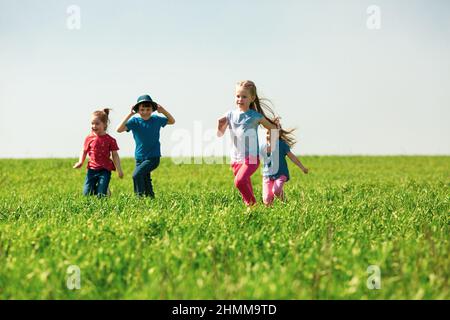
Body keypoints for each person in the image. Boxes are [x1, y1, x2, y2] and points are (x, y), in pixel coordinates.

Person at [217, 80, 278, 206]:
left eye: (244, 97)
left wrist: (271, 145)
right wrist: (219, 124)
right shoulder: (229, 115)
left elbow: (273, 128)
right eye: (238, 96)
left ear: (252, 98)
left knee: (239, 181)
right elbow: (220, 134)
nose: (240, 99)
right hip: (235, 159)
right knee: (245, 185)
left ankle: (252, 204)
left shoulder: (255, 116)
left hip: (251, 158)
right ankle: (252, 209)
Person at [116, 94, 175, 197]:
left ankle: (140, 199)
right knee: (145, 178)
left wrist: (163, 111)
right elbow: (119, 129)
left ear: (152, 110)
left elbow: (172, 121)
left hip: (153, 157)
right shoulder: (134, 122)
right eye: (142, 110)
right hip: (139, 157)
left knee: (136, 175)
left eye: (148, 109)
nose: (145, 112)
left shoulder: (156, 119)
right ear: (138, 111)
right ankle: (150, 198)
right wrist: (130, 114)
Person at [73, 108, 123, 196]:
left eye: (97, 123)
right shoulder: (89, 138)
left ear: (104, 124)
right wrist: (80, 162)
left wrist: (119, 170)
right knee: (87, 193)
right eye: (92, 123)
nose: (94, 126)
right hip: (92, 170)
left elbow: (115, 155)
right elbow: (84, 151)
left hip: (105, 170)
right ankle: (102, 189)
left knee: (101, 195)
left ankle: (104, 190)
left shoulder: (110, 140)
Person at [261, 124, 308, 206]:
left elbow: (292, 157)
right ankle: (270, 213)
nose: (269, 135)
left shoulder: (282, 145)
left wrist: (302, 167)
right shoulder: (263, 147)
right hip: (267, 176)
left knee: (276, 190)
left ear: (278, 134)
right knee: (267, 199)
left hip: (280, 174)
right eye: (268, 133)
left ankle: (284, 201)